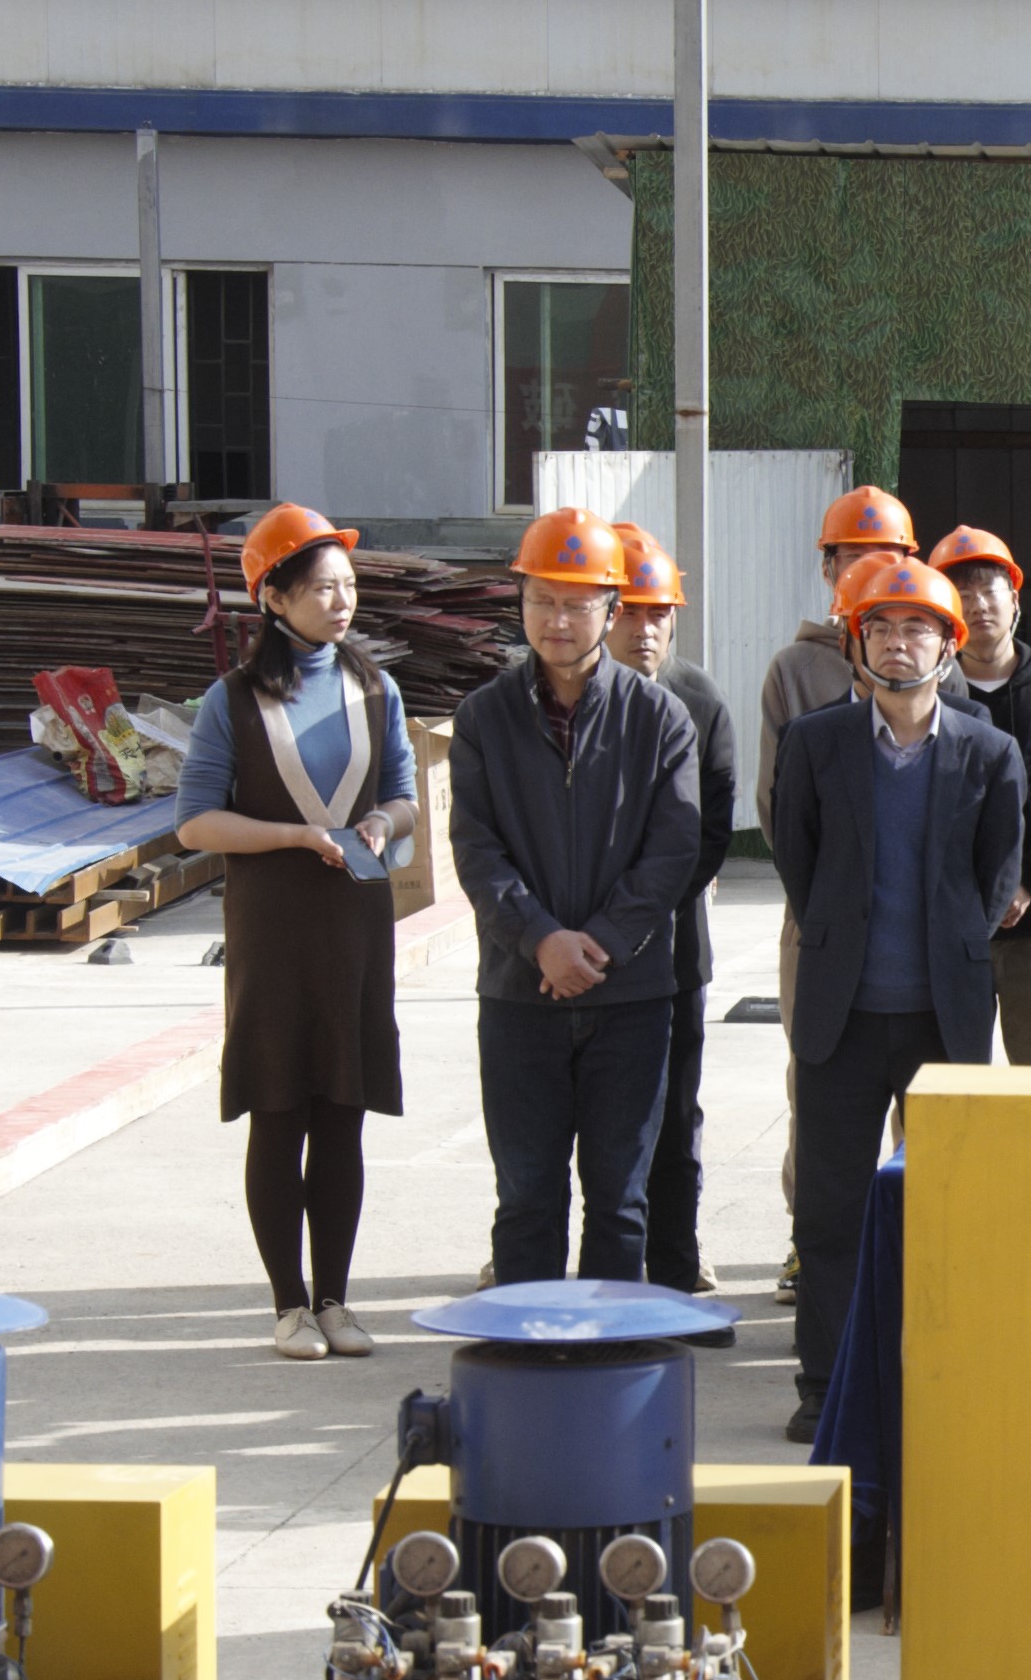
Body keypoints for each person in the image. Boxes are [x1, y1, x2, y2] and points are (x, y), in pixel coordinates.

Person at [767, 558, 1026, 1445]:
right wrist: (842, 937)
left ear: (949, 647)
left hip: (941, 1016)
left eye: (918, 628)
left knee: (946, 1204)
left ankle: (940, 1371)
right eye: (880, 628)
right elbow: (799, 863)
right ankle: (826, 1385)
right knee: (831, 1210)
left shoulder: (989, 752)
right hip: (840, 1016)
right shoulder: (816, 744)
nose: (898, 643)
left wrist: (950, 944)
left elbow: (997, 875)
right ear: (856, 643)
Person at [173, 503, 420, 1359]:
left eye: (348, 586)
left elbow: (404, 795)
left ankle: (337, 1300)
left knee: (343, 1111)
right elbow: (195, 823)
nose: (340, 602)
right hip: (274, 928)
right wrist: (292, 836)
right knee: (278, 1110)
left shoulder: (376, 689)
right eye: (321, 588)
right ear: (273, 598)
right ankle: (288, 1306)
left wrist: (384, 822)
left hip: (356, 923)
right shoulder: (232, 700)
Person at [451, 505, 702, 1294]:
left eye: (576, 603)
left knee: (620, 1200)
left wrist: (598, 945)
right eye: (541, 601)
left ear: (612, 609)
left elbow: (672, 851)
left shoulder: (659, 718)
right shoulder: (484, 717)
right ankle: (528, 1352)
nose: (556, 621)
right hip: (519, 993)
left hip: (629, 996)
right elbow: (476, 849)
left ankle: (607, 1352)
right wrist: (540, 941)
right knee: (527, 1195)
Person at [760, 483, 920, 1302]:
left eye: (885, 557)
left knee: (921, 1096)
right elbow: (778, 811)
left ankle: (909, 1241)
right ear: (828, 568)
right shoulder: (797, 670)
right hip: (820, 922)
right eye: (852, 557)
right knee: (818, 1084)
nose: (866, 570)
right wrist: (830, 904)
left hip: (913, 928)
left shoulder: (929, 655)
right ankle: (812, 1242)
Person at [604, 523, 741, 1296]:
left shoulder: (699, 701)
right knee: (572, 1116)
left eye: (659, 612)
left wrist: (641, 917)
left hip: (673, 947)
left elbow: (709, 833)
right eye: (630, 611)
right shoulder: (553, 698)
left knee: (674, 1111)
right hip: (576, 949)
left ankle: (676, 1258)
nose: (645, 629)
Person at [932, 523, 1031, 1064]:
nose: (978, 604)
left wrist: (1027, 881)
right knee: (946, 1080)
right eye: (962, 593)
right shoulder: (928, 697)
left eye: (990, 589)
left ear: (1015, 600)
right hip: (952, 925)